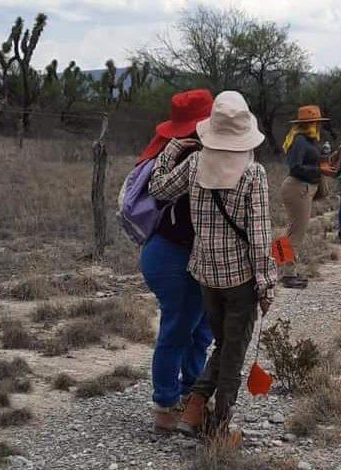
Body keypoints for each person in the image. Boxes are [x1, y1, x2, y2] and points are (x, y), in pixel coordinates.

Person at [148, 91, 276, 440]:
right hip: (241, 280)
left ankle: (192, 409)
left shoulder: (193, 164)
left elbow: (158, 188)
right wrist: (266, 284)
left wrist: (171, 149)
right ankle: (218, 427)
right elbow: (261, 236)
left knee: (224, 345)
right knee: (232, 354)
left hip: (205, 276)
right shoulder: (254, 174)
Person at [137, 89, 214, 434]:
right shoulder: (188, 159)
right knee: (179, 330)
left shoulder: (179, 153)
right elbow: (163, 195)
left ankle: (189, 396)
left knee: (198, 330)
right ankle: (166, 406)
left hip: (173, 254)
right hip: (174, 256)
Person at [280, 105, 330, 289]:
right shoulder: (301, 141)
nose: (316, 125)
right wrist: (319, 170)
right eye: (314, 122)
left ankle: (283, 269)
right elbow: (295, 167)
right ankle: (288, 274)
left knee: (290, 231)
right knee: (296, 233)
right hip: (298, 187)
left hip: (300, 187)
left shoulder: (307, 140)